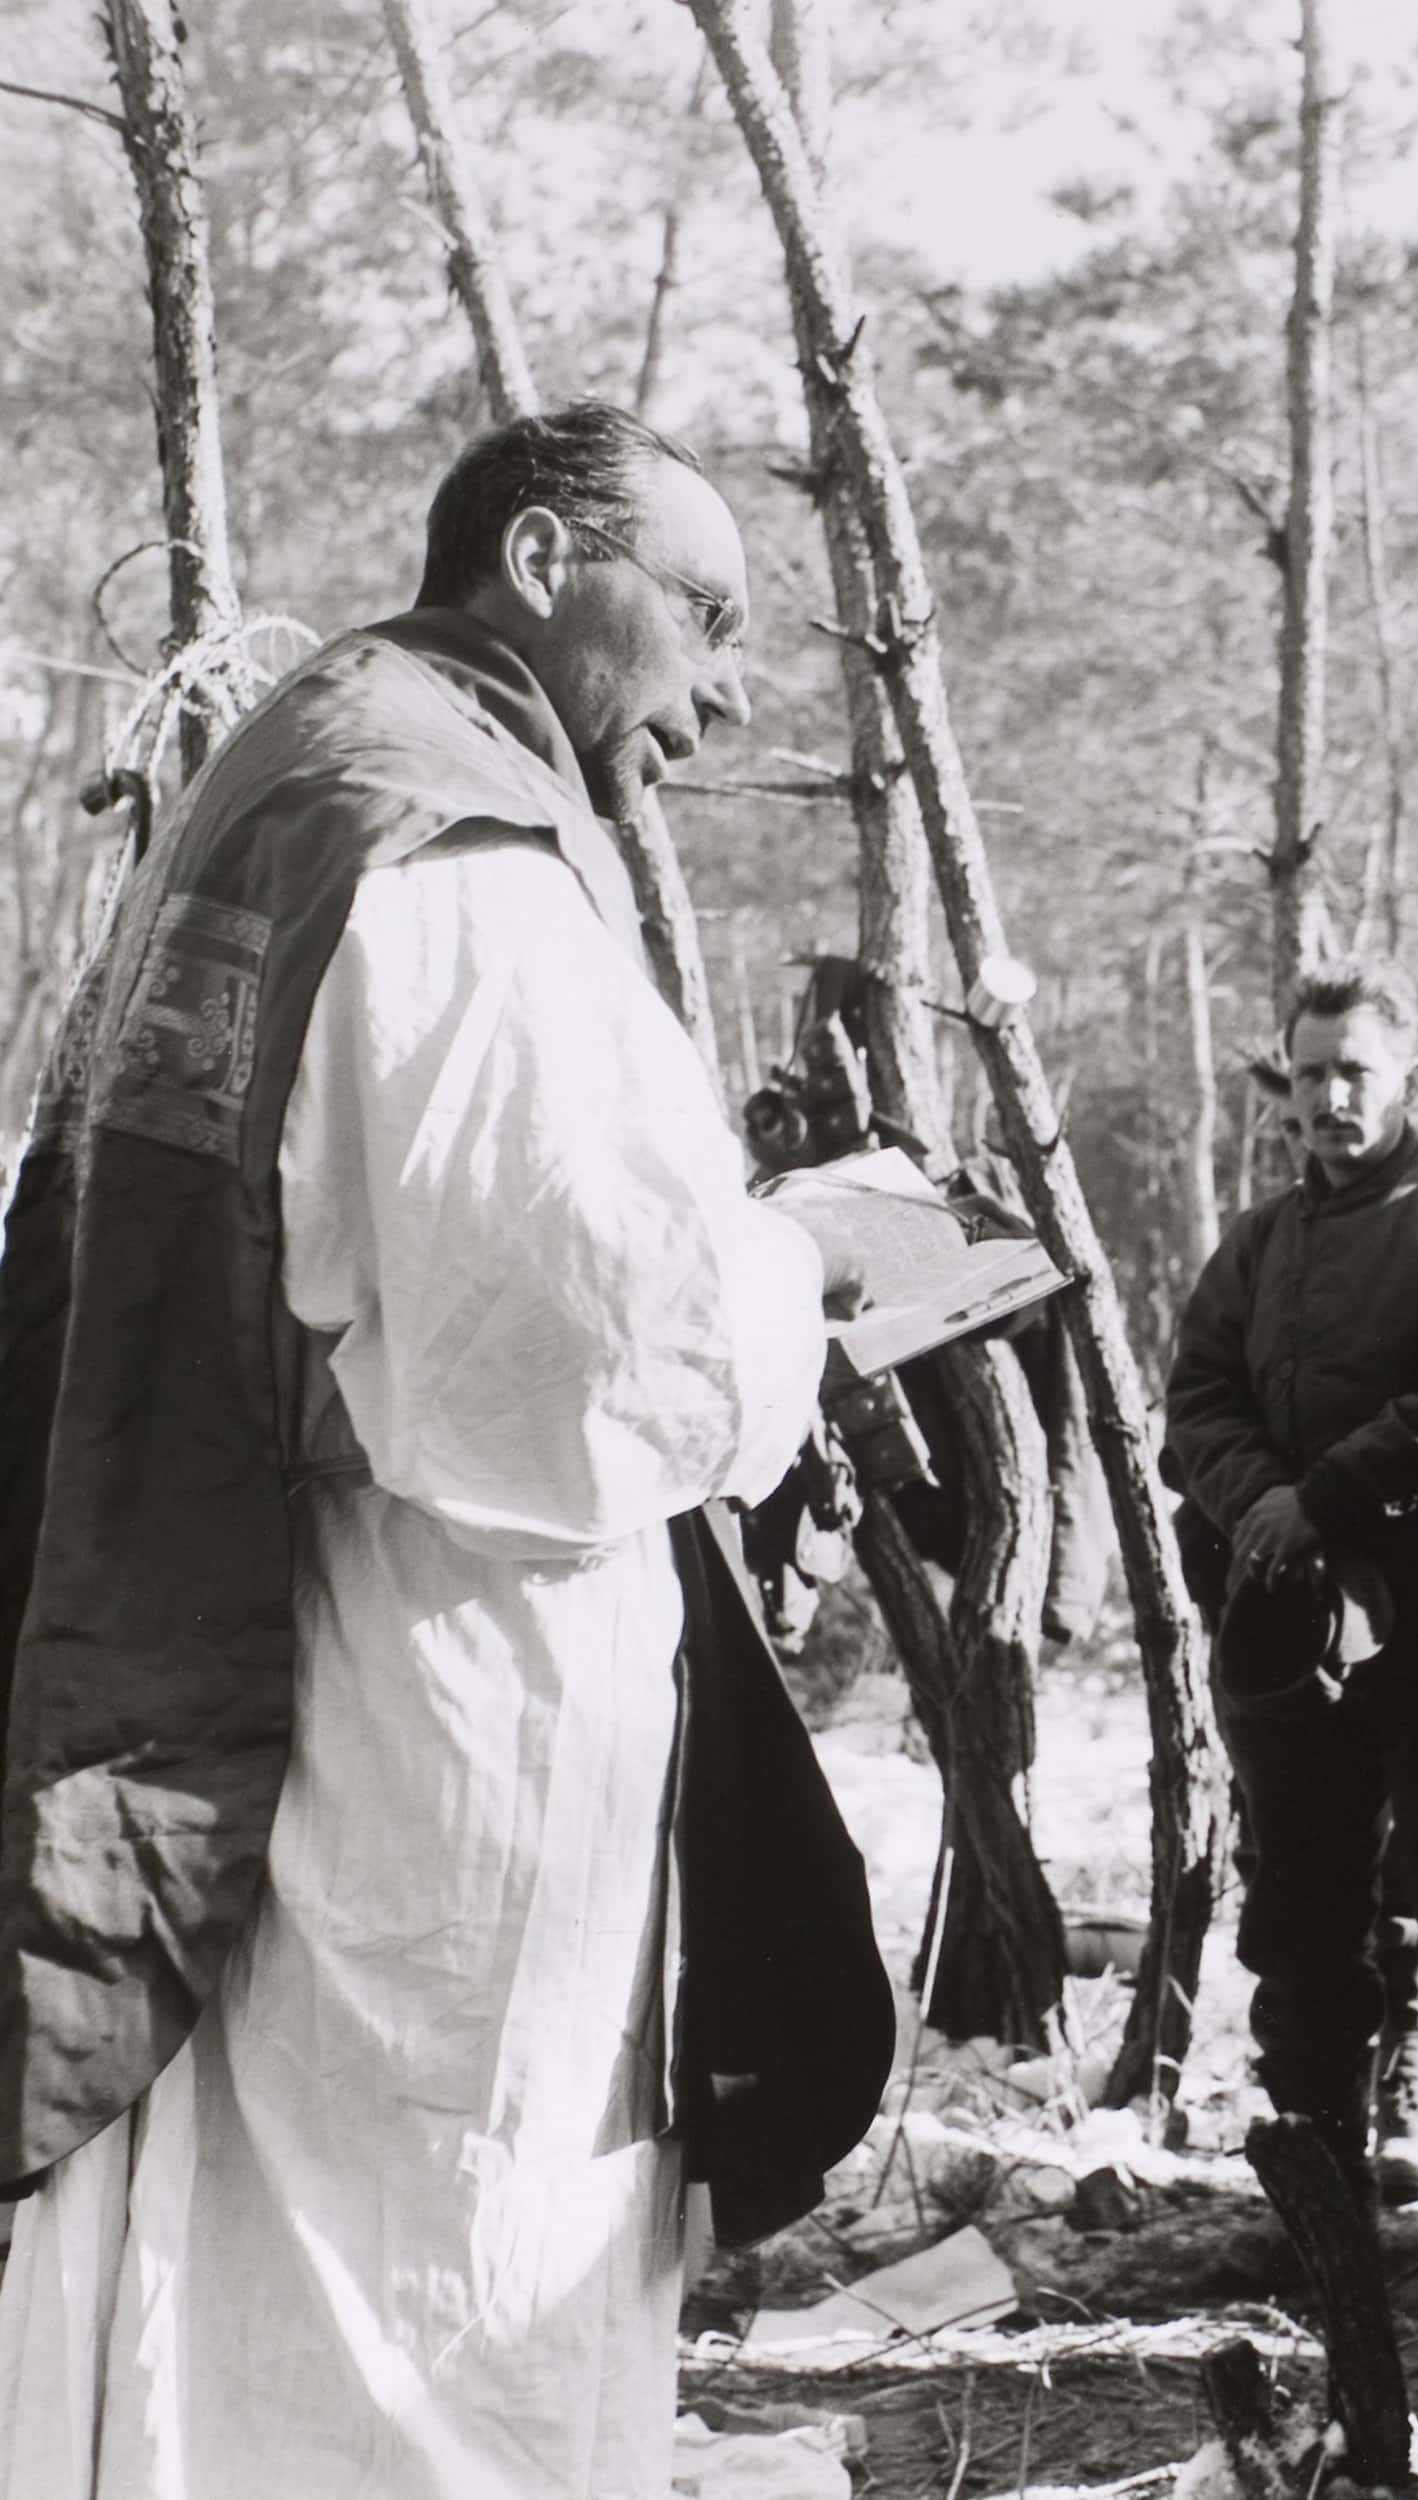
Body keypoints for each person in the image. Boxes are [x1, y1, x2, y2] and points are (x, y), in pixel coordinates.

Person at [0, 403, 893, 2499]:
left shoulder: (294, 783)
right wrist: (804, 1266)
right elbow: (591, 1340)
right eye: (702, 615)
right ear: (541, 560)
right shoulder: (443, 839)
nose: (726, 694)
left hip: (282, 1641)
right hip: (428, 1701)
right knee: (417, 2299)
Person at [1164, 958, 1418, 2339]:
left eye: (1357, 1071)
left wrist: (1321, 1498)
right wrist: (1262, 1510)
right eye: (1309, 1073)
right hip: (1299, 1621)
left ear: (1407, 1078)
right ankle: (1321, 2212)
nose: (1331, 1097)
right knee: (1302, 1920)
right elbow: (1198, 1401)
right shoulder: (1257, 1245)